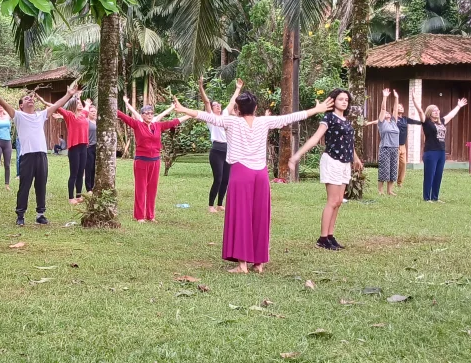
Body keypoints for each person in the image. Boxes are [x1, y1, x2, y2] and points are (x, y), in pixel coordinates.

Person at [173, 83, 332, 272]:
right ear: (255, 108)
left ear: (237, 109)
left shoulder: (232, 121)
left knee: (241, 215)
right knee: (259, 216)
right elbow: (291, 117)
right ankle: (259, 263)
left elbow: (205, 116)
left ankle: (243, 265)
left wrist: (182, 109)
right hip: (261, 174)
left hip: (241, 173)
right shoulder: (264, 122)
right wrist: (318, 108)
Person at [0, 75, 81, 226]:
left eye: (31, 98)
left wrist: (69, 94)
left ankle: (40, 214)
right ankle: (20, 215)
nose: (30, 99)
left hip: (41, 155)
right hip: (27, 156)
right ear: (21, 106)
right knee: (25, 185)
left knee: (41, 184)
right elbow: (2, 102)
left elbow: (56, 105)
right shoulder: (18, 115)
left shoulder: (41, 115)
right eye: (26, 99)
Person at [289, 89, 364, 250]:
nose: (344, 102)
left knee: (338, 202)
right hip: (332, 160)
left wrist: (356, 159)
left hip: (345, 163)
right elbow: (316, 138)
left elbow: (349, 143)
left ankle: (330, 235)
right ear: (333, 101)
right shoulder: (328, 118)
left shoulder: (346, 120)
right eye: (340, 99)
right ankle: (323, 238)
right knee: (332, 201)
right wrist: (296, 156)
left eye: (346, 100)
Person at [117, 96, 190, 223]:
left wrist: (190, 115)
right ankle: (139, 216)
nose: (150, 115)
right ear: (142, 115)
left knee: (152, 189)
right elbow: (123, 116)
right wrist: (112, 105)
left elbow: (174, 122)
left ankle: (150, 216)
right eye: (147, 113)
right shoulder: (137, 125)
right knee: (141, 189)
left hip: (155, 161)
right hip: (141, 161)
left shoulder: (158, 126)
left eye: (151, 113)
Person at [407, 95, 467, 202]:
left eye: (437, 110)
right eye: (433, 111)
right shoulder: (426, 122)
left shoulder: (442, 122)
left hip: (441, 152)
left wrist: (458, 106)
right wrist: (414, 101)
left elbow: (451, 115)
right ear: (429, 113)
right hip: (431, 152)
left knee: (438, 175)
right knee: (430, 175)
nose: (436, 112)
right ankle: (427, 198)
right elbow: (420, 112)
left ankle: (435, 197)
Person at [198, 76, 231, 213]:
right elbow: (206, 101)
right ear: (211, 109)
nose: (218, 106)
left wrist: (238, 89)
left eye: (219, 105)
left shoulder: (225, 116)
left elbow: (232, 101)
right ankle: (211, 205)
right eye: (215, 105)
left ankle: (219, 204)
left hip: (228, 150)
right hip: (216, 150)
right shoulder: (211, 118)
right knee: (217, 178)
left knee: (225, 179)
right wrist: (201, 86)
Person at [55, 98, 90, 204]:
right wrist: (43, 101)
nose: (80, 105)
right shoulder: (69, 115)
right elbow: (57, 107)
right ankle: (71, 198)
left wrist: (87, 104)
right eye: (78, 103)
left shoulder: (83, 114)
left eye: (81, 103)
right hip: (74, 148)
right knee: (74, 173)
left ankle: (78, 196)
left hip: (84, 147)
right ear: (73, 105)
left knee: (81, 172)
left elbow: (87, 108)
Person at [375, 89, 400, 196]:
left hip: (395, 148)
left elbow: (395, 110)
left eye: (388, 113)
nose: (387, 113)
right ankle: (380, 191)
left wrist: (396, 97)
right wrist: (384, 96)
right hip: (385, 148)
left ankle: (390, 191)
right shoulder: (381, 123)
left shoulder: (394, 122)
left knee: (393, 170)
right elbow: (383, 108)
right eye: (386, 113)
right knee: (384, 170)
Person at [393, 92, 408, 189]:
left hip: (403, 145)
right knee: (396, 164)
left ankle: (400, 182)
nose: (400, 108)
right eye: (398, 107)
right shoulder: (393, 118)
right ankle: (392, 182)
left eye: (401, 107)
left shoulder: (404, 119)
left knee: (403, 164)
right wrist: (396, 98)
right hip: (395, 145)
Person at [84, 103, 97, 193]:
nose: (93, 113)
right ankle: (89, 188)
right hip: (89, 147)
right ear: (88, 112)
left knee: (95, 168)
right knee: (89, 168)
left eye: (95, 111)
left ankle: (93, 186)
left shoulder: (98, 122)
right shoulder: (86, 121)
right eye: (91, 111)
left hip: (97, 147)